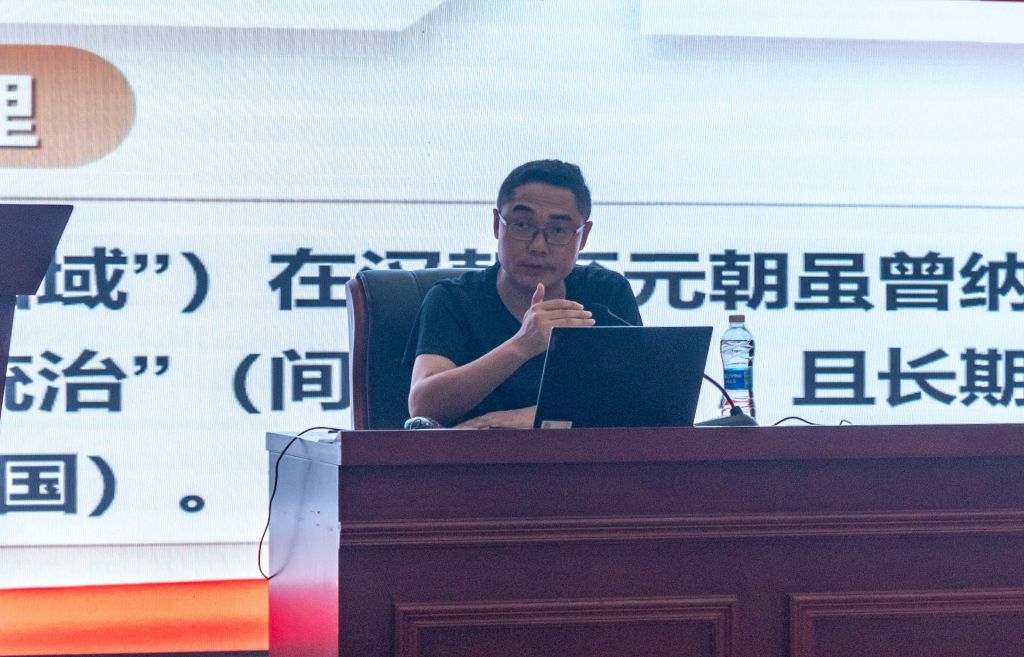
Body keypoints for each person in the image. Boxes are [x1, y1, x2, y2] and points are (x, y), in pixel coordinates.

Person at [404, 159, 642, 428]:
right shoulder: (453, 300)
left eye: (558, 230)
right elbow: (423, 406)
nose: (538, 246)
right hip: (473, 455)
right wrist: (522, 344)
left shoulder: (606, 295)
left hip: (584, 456)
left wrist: (524, 419)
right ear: (497, 224)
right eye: (522, 225)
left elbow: (635, 399)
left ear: (583, 236)